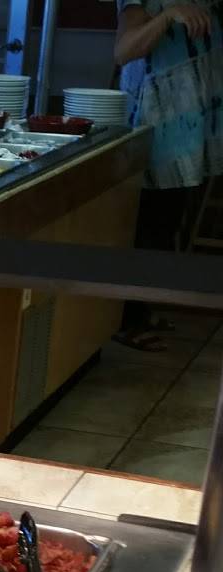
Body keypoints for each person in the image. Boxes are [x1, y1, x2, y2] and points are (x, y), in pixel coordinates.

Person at [113, 0, 223, 350]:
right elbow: (124, 51)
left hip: (191, 124)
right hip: (157, 124)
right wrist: (167, 16)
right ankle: (127, 318)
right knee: (147, 224)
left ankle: (141, 308)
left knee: (166, 223)